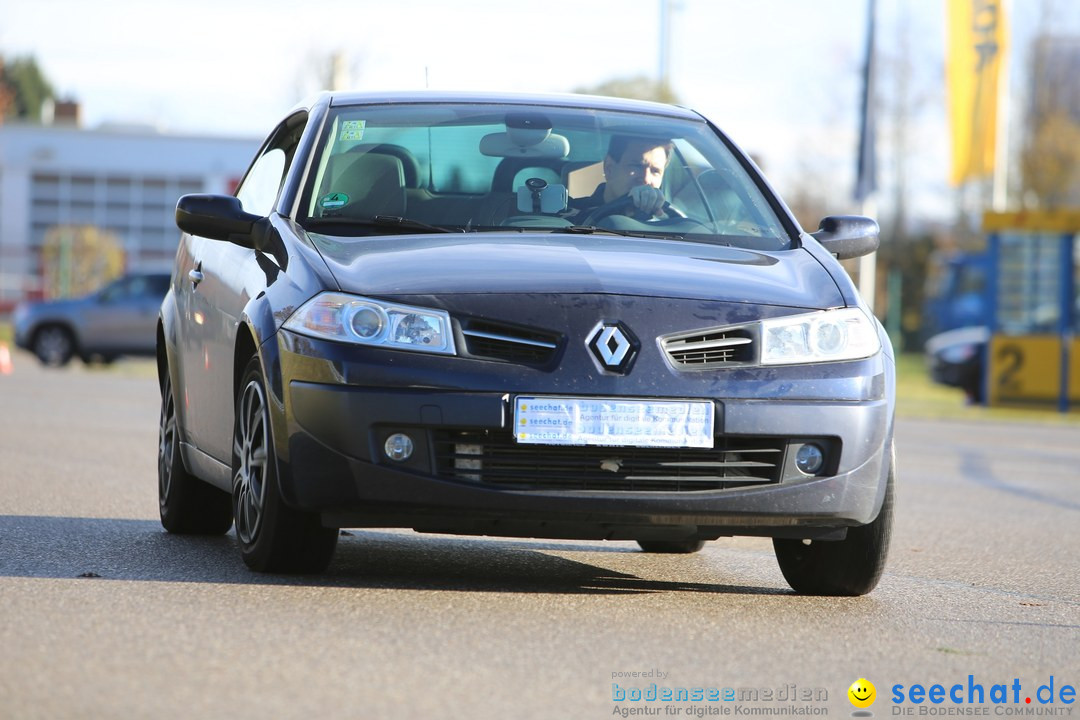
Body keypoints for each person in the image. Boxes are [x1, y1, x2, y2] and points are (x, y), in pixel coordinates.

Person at [568, 135, 673, 221]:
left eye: (655, 171)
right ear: (609, 168)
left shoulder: (669, 222)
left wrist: (663, 219)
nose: (646, 179)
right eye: (636, 166)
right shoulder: (573, 213)